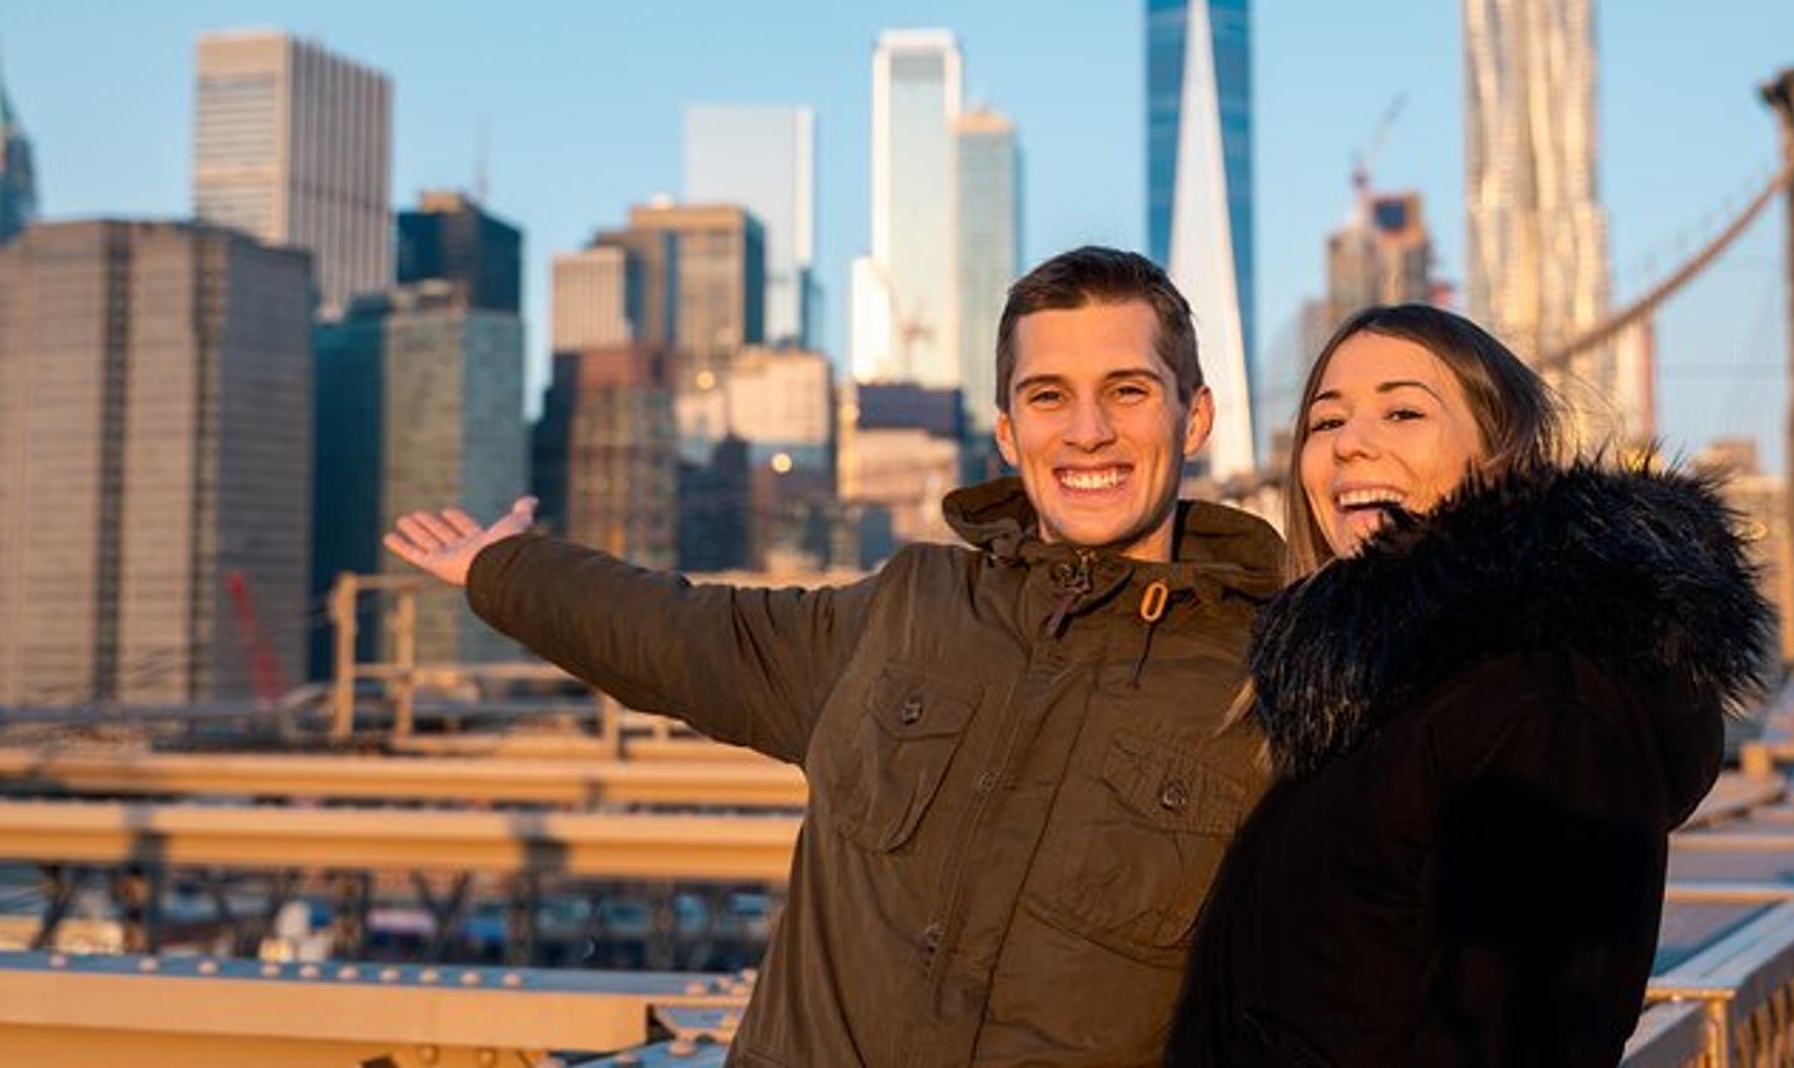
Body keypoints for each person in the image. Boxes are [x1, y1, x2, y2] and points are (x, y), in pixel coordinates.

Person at [386, 246, 1286, 1068]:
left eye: (1127, 389)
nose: (1087, 430)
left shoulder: (1266, 687)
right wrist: (503, 568)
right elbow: (685, 632)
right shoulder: (909, 609)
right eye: (1049, 395)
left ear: (1194, 415)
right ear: (1009, 434)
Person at [1165, 304, 1775, 1067]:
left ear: (1497, 453)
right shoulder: (1362, 699)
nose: (1352, 442)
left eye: (1403, 410)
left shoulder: (1539, 704)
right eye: (1327, 421)